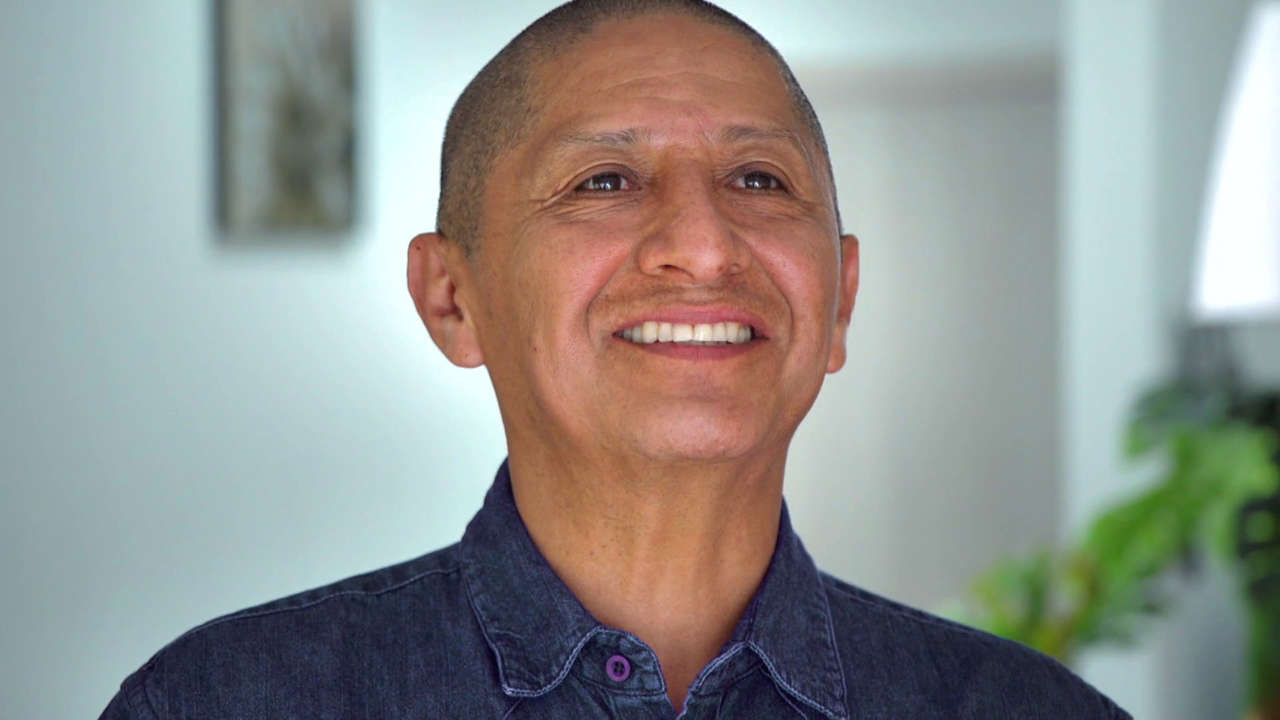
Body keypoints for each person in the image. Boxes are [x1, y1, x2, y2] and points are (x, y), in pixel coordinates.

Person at [100, 1, 1130, 717]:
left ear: (841, 300)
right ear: (451, 298)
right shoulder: (221, 703)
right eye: (603, 181)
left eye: (759, 180)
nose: (705, 245)